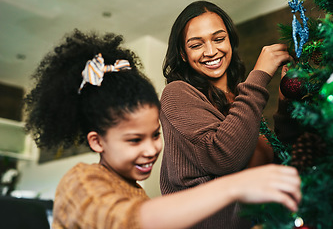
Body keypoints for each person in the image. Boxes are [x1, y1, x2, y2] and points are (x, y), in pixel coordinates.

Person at [24, 29, 301, 229]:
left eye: (155, 135)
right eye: (134, 140)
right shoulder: (80, 182)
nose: (151, 150)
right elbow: (132, 220)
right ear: (97, 142)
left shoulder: (135, 190)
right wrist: (235, 187)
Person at [160, 0, 294, 228]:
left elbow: (281, 161)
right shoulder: (176, 93)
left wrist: (285, 103)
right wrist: (259, 74)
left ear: (230, 40)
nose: (211, 51)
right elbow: (224, 157)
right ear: (183, 54)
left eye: (219, 38)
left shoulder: (239, 101)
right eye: (196, 45)